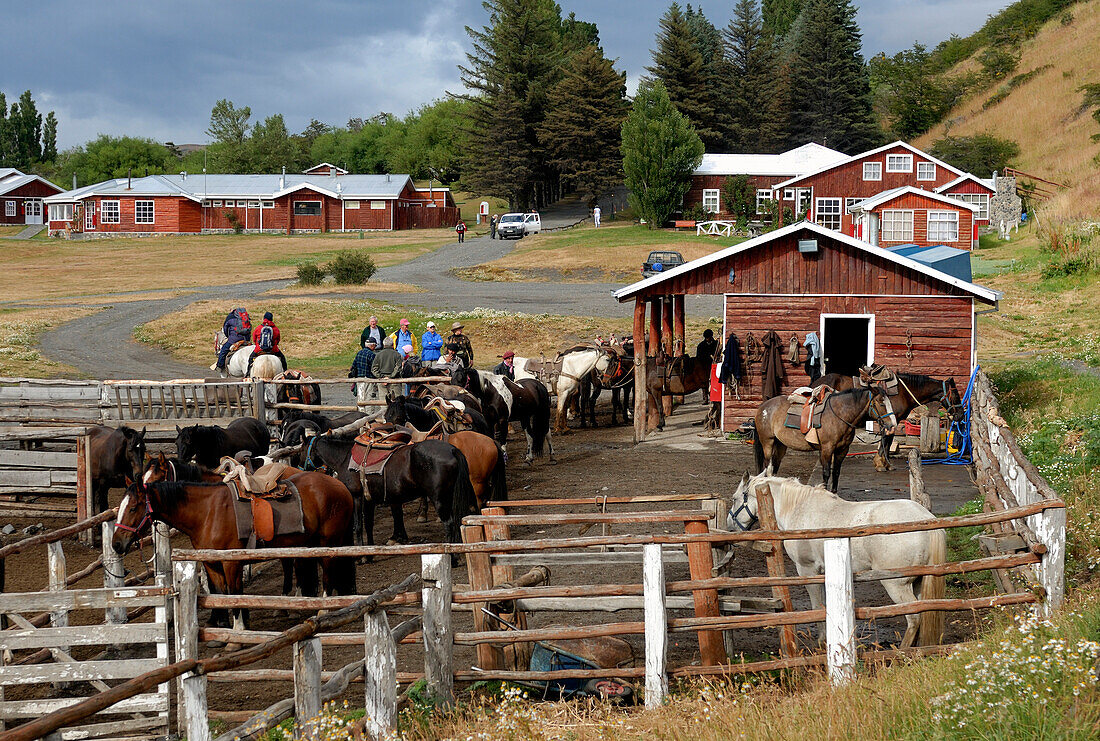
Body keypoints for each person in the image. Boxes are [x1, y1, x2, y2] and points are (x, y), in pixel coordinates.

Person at [213, 307, 252, 373]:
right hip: (246, 339)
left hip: (234, 340)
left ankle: (220, 366)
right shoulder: (245, 316)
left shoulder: (230, 317)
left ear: (232, 310)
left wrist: (229, 337)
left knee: (223, 351)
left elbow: (225, 329)